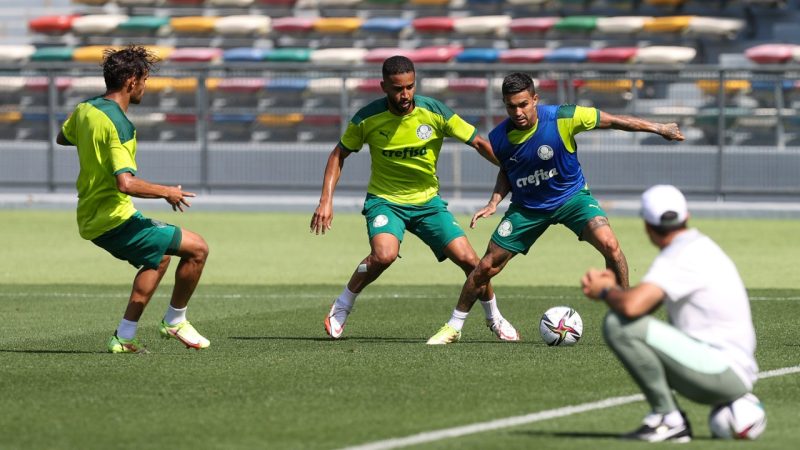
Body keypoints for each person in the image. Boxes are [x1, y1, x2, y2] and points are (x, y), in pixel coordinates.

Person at [430, 72, 685, 344]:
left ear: (535, 100)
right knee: (485, 267)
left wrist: (658, 128)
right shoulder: (500, 137)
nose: (517, 111)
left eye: (523, 104)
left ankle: (628, 319)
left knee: (610, 245)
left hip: (572, 199)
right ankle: (454, 327)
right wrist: (495, 200)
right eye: (510, 106)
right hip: (528, 207)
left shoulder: (564, 117)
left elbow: (613, 120)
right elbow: (508, 169)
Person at [309, 55, 519, 344]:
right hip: (385, 201)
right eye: (397, 88)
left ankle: (494, 317)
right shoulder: (366, 118)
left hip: (428, 204)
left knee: (471, 261)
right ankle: (343, 304)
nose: (405, 94)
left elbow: (480, 143)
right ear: (383, 86)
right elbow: (338, 154)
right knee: (384, 254)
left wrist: (513, 170)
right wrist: (326, 201)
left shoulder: (434, 111)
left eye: (409, 87)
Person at [57, 45, 210, 354]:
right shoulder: (120, 125)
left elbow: (62, 137)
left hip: (93, 215)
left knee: (159, 258)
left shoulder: (86, 109)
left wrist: (90, 144)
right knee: (198, 249)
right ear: (130, 80)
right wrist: (167, 191)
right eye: (144, 79)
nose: (145, 86)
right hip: (113, 218)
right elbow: (125, 183)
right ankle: (174, 321)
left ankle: (125, 337)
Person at [581, 185, 761, 442]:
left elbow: (632, 308)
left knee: (618, 324)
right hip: (731, 371)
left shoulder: (680, 254)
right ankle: (669, 418)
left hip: (723, 374)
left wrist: (605, 290)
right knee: (628, 321)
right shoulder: (698, 245)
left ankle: (669, 418)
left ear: (647, 226)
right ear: (686, 217)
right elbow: (643, 305)